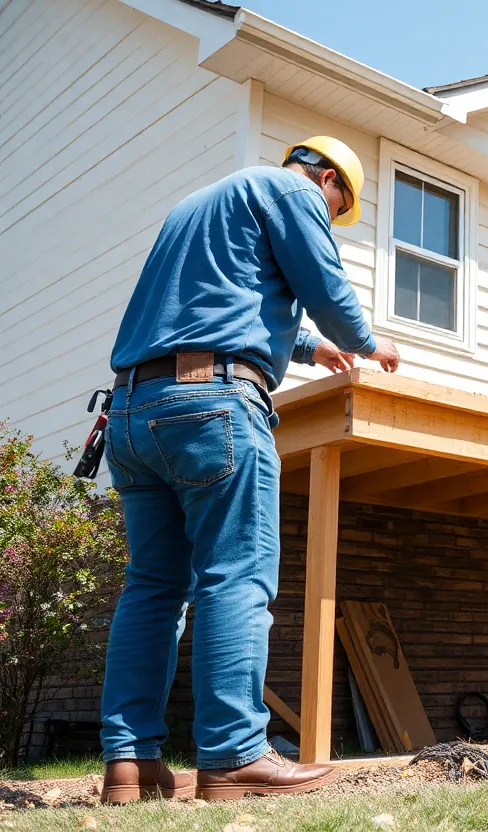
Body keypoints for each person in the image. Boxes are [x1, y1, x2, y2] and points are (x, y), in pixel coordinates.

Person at [99, 137, 401, 804]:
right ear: (325, 177)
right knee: (236, 574)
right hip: (212, 409)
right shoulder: (292, 191)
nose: (330, 212)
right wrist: (366, 342)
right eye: (338, 202)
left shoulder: (197, 206)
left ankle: (130, 765)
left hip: (131, 409)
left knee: (151, 587)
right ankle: (235, 755)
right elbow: (324, 285)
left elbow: (214, 299)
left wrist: (306, 346)